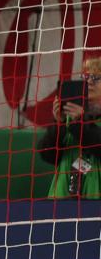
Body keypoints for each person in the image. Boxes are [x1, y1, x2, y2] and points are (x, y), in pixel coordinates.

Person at [37, 58, 101, 198]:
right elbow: (47, 155)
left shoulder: (75, 120)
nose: (89, 82)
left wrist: (78, 122)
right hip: (61, 200)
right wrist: (58, 123)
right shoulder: (69, 118)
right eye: (85, 77)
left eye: (96, 78)